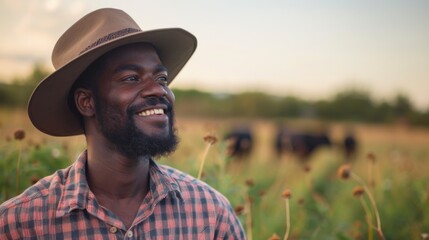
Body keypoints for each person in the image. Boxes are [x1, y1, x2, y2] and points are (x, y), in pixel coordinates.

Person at [0, 8, 245, 239]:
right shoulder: (20, 224)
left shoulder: (211, 215)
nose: (158, 90)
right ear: (86, 102)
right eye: (131, 78)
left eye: (162, 78)